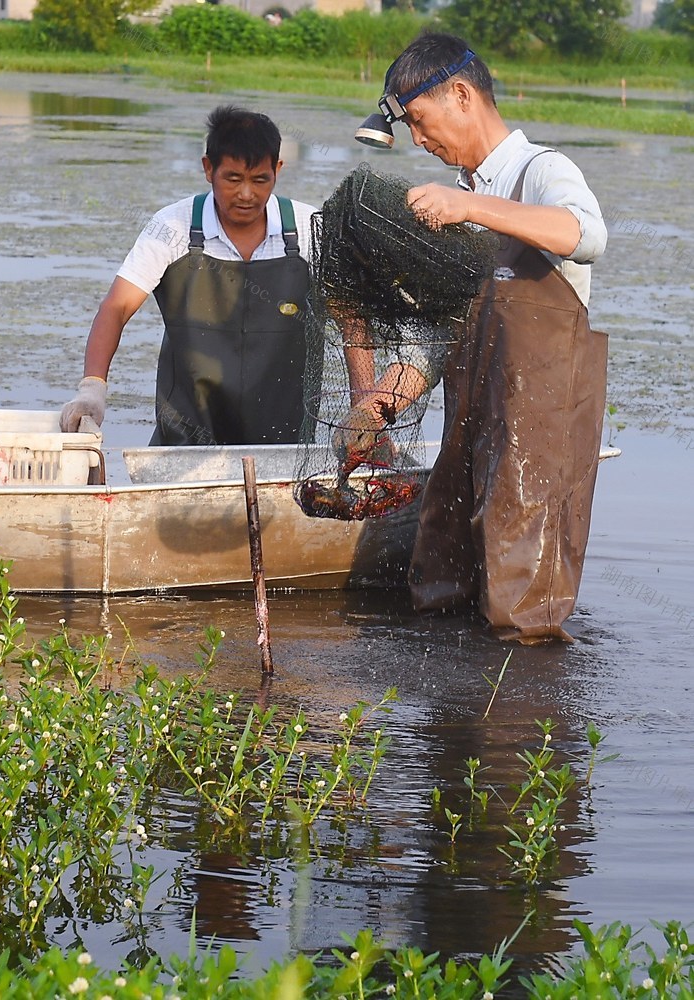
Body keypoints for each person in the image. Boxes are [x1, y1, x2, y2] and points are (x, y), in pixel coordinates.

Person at [351, 32, 609, 643]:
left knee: (522, 616)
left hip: (538, 439)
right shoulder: (461, 196)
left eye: (419, 121)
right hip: (471, 431)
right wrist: (379, 405)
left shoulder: (541, 170)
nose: (419, 139)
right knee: (440, 579)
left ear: (462, 96)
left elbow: (587, 233)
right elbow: (439, 335)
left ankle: (522, 731)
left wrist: (471, 210)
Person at [60, 105, 316, 446]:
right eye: (233, 178)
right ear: (208, 169)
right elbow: (116, 308)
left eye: (260, 180)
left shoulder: (309, 230)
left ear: (278, 170)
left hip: (287, 442)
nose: (246, 194)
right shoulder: (172, 227)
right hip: (185, 439)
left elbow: (352, 321)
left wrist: (365, 405)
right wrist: (92, 387)